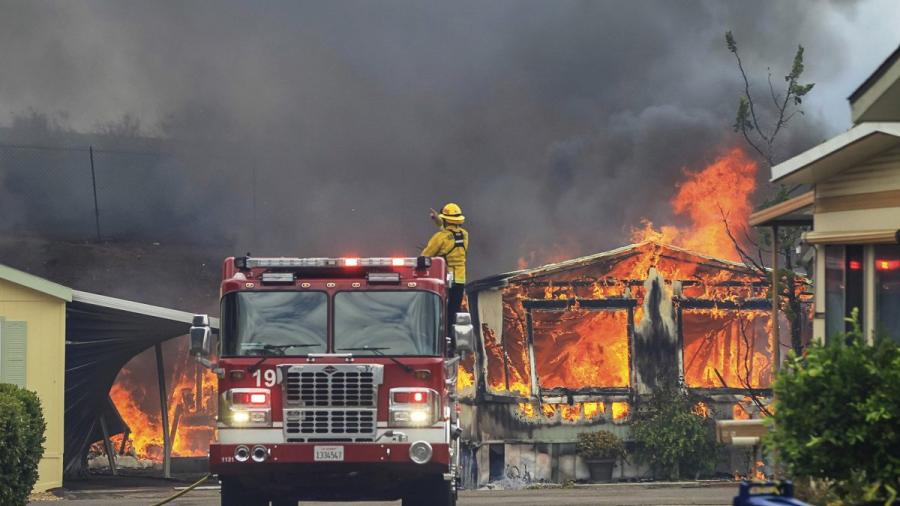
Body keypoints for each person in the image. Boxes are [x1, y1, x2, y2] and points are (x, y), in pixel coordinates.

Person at [421, 203, 468, 335]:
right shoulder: (464, 235)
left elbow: (425, 256)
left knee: (439, 315)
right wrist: (439, 222)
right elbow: (450, 233)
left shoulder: (439, 238)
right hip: (460, 281)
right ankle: (452, 342)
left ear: (446, 219)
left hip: (445, 282)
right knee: (453, 314)